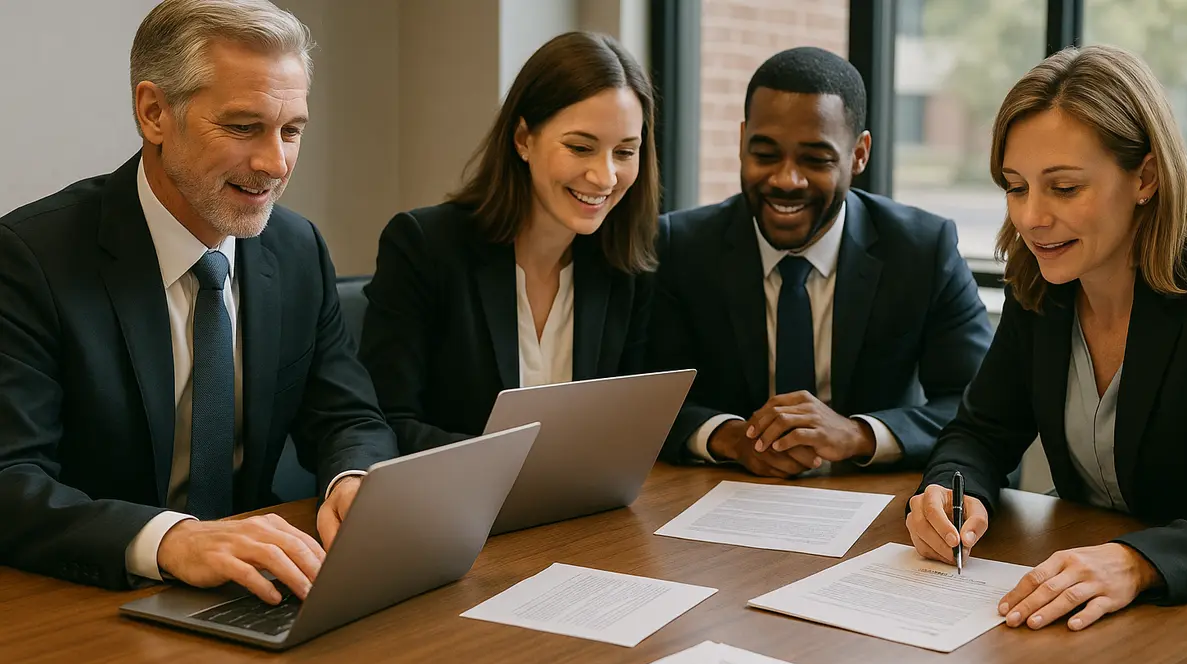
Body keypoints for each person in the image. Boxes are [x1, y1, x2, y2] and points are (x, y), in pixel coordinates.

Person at [0, 0, 396, 603]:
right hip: (90, 602)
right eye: (243, 128)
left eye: (292, 131)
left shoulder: (297, 248)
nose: (275, 163)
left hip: (254, 592)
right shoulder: (31, 257)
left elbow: (346, 415)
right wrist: (171, 540)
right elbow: (11, 481)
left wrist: (354, 479)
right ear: (154, 112)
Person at [906, 45, 1187, 631]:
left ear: (1144, 176)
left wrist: (1138, 562)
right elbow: (981, 434)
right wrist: (948, 494)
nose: (1032, 217)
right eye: (1016, 188)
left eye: (1063, 188)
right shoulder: (1041, 285)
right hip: (1087, 613)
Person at [649, 47, 991, 478]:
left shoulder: (922, 250)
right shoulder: (680, 246)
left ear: (859, 154)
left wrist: (857, 435)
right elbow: (644, 397)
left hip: (874, 510)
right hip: (723, 500)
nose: (786, 180)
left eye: (816, 159)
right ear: (741, 142)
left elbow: (979, 407)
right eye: (765, 154)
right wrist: (733, 438)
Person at [359, 31, 658, 453]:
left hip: (578, 508)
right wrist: (520, 465)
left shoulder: (627, 262)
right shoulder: (424, 246)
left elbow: (639, 418)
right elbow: (384, 422)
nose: (605, 177)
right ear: (523, 139)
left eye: (625, 153)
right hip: (455, 506)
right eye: (580, 147)